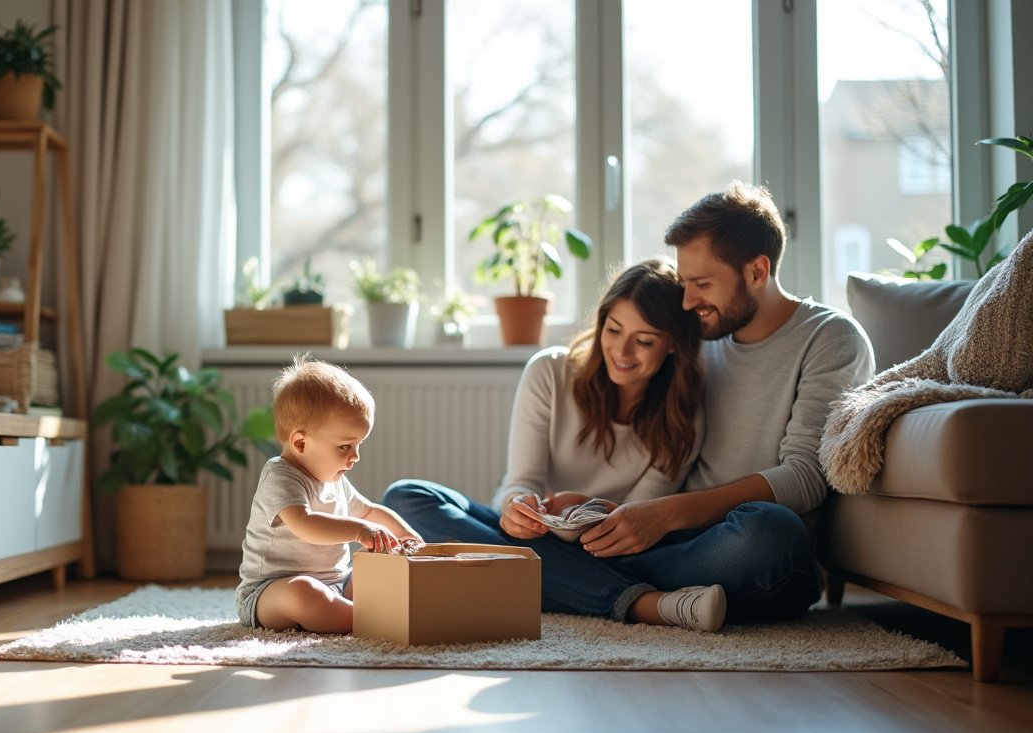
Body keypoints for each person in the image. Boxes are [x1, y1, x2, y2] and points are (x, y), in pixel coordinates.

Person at [384, 181, 874, 632]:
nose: (686, 302)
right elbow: (588, 495)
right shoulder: (700, 338)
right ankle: (640, 600)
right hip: (654, 549)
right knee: (409, 501)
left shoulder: (828, 339)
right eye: (684, 283)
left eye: (701, 283)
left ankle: (554, 583)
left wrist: (661, 515)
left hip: (725, 551)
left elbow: (806, 477)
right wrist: (595, 515)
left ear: (758, 271)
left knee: (768, 533)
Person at [384, 258, 727, 630]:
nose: (622, 352)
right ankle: (644, 603)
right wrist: (518, 511)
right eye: (613, 330)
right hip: (529, 539)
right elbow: (521, 481)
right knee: (406, 499)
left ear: (674, 345)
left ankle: (527, 585)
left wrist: (584, 510)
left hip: (612, 551)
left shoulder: (683, 413)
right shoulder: (549, 371)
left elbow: (639, 521)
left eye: (644, 341)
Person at [237, 356, 423, 634]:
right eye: (345, 446)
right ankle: (374, 620)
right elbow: (306, 525)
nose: (355, 456)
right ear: (300, 443)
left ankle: (369, 609)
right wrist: (360, 531)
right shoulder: (280, 476)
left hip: (338, 582)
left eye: (359, 445)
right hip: (271, 592)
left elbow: (370, 511)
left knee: (379, 561)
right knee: (304, 592)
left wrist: (408, 536)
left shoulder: (335, 480)